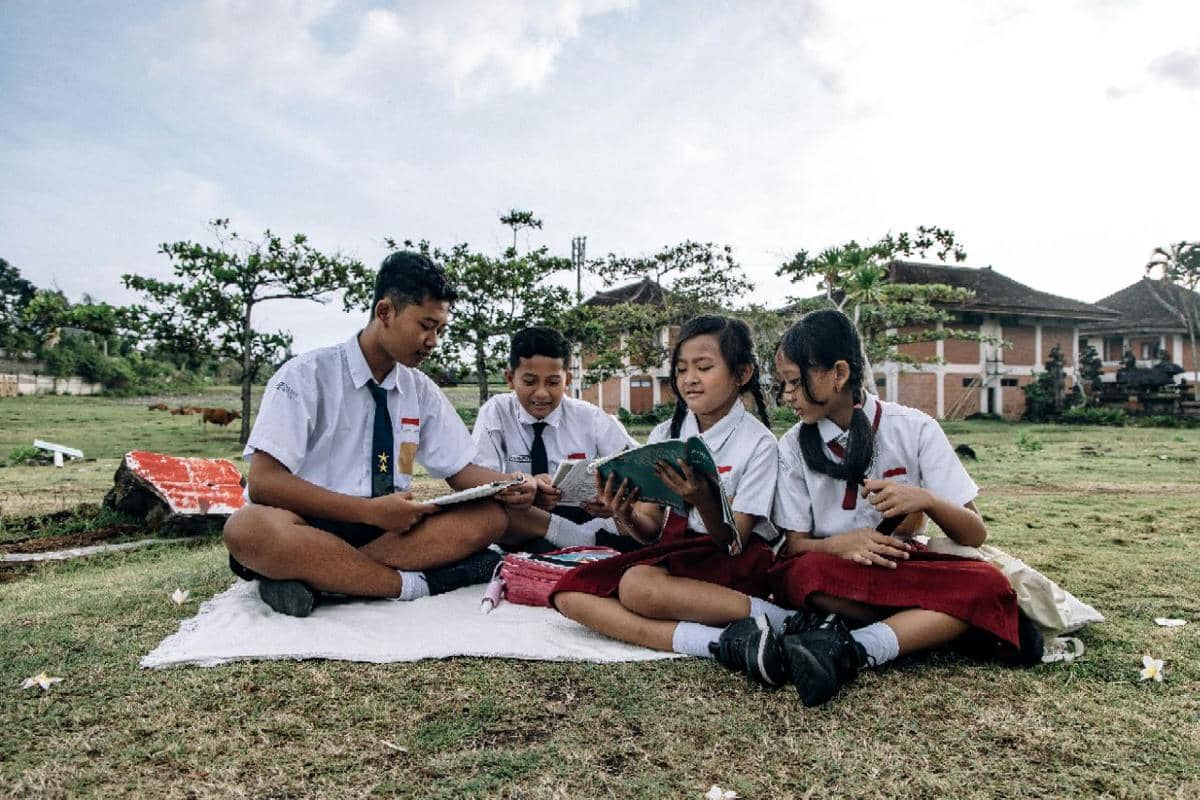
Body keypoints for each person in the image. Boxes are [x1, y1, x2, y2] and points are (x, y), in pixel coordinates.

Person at [713, 308, 1038, 706]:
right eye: (783, 384)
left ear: (839, 373)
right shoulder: (792, 447)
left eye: (795, 382)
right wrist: (840, 545)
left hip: (898, 567)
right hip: (831, 572)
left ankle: (853, 647)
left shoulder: (914, 427)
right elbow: (794, 545)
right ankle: (942, 624)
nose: (787, 396)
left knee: (989, 582)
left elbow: (975, 533)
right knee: (798, 576)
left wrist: (928, 500)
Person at [223, 251, 537, 617]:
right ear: (385, 312)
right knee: (247, 528)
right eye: (425, 325)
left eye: (440, 330)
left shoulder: (419, 390)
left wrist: (511, 483)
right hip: (306, 524)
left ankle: (319, 575)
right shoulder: (307, 376)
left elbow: (461, 471)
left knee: (490, 516)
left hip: (388, 535)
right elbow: (264, 483)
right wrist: (367, 511)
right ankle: (411, 585)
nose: (433, 340)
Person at [551, 315, 795, 669]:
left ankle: (776, 617)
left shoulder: (758, 443)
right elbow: (648, 530)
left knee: (635, 586)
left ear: (742, 374)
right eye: (681, 370)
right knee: (568, 594)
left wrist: (703, 499)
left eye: (704, 367)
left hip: (731, 561)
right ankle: (719, 643)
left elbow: (734, 542)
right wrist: (623, 511)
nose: (689, 380)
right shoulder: (666, 432)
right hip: (675, 557)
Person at [472, 326, 640, 551]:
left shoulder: (590, 416)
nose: (541, 393)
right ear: (510, 379)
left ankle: (572, 539)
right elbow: (481, 480)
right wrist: (525, 486)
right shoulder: (496, 412)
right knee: (491, 512)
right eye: (530, 382)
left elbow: (636, 465)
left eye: (553, 382)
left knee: (643, 517)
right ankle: (582, 541)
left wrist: (612, 499)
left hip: (584, 518)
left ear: (567, 380)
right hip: (523, 518)